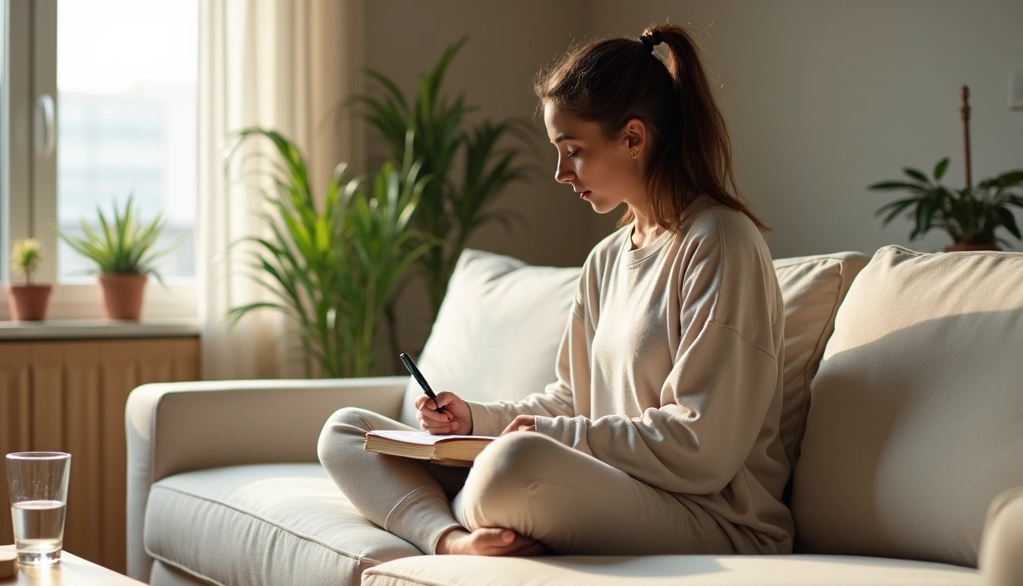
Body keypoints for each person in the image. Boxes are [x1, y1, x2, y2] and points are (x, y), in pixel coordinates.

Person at [318, 24, 791, 558]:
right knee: (346, 431)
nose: (561, 173)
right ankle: (453, 541)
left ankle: (439, 508)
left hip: (711, 516)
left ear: (633, 138)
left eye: (574, 150)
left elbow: (703, 448)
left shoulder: (721, 242)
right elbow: (573, 398)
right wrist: (474, 419)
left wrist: (549, 435)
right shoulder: (605, 260)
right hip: (610, 486)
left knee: (513, 466)